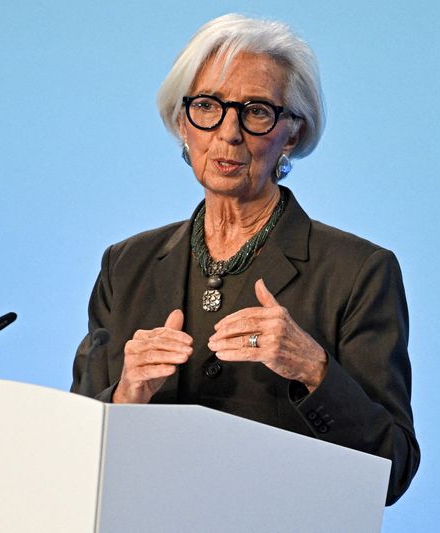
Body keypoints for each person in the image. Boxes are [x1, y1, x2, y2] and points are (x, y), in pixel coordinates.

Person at [70, 14, 419, 505]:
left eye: (256, 111)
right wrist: (126, 398)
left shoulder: (357, 272)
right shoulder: (126, 266)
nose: (228, 133)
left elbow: (392, 471)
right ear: (182, 124)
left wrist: (315, 371)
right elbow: (72, 454)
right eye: (208, 106)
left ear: (291, 134)